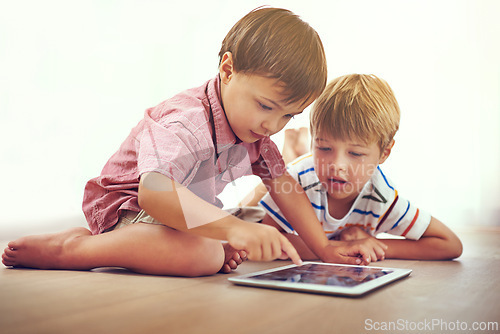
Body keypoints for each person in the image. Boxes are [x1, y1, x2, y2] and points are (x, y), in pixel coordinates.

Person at [2, 8, 375, 277]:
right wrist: (230, 231)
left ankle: (218, 243)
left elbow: (284, 186)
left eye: (287, 116)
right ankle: (74, 249)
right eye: (265, 106)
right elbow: (154, 192)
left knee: (269, 231)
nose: (272, 125)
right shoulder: (187, 120)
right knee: (204, 256)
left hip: (183, 213)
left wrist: (325, 247)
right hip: (129, 209)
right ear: (227, 70)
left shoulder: (255, 133)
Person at [255, 74, 463, 262]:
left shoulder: (380, 196)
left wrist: (378, 247)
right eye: (324, 147)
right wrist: (345, 247)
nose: (337, 165)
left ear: (384, 153)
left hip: (309, 175)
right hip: (292, 179)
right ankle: (294, 147)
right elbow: (263, 238)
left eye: (355, 154)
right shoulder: (297, 179)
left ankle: (296, 148)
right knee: (265, 187)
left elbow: (450, 244)